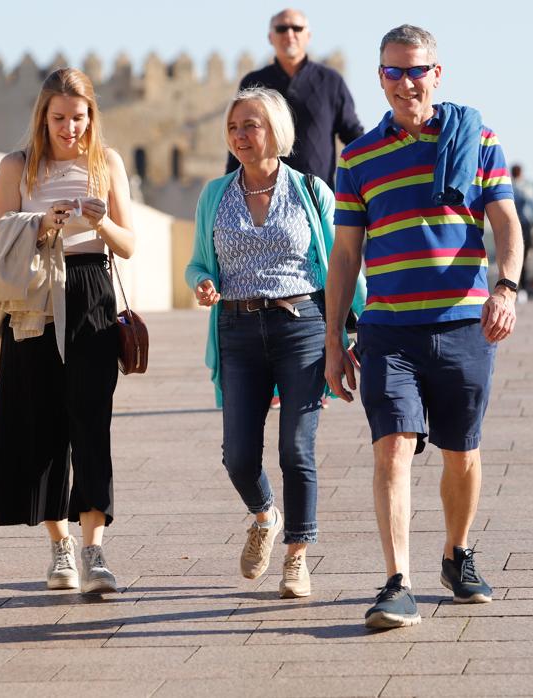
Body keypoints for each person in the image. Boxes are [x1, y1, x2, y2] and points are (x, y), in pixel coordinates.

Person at [324, 25, 523, 629]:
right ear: (379, 77)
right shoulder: (357, 157)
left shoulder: (478, 140)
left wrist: (507, 289)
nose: (406, 83)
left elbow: (507, 226)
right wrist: (335, 339)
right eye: (393, 72)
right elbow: (345, 257)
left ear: (438, 74)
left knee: (462, 454)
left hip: (465, 325)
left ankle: (456, 554)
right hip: (389, 332)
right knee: (393, 450)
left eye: (416, 71)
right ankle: (396, 582)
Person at [188, 87, 364, 599]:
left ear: (276, 132)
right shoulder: (214, 195)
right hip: (236, 330)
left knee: (296, 448)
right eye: (234, 128)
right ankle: (265, 514)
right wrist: (201, 281)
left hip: (302, 327)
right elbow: (199, 260)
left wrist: (345, 334)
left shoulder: (312, 191)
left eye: (252, 125)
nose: (241, 136)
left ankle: (297, 554)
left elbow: (341, 266)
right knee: (238, 455)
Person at [0, 68, 137, 594]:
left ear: (91, 116)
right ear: (42, 116)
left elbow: (127, 244)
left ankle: (95, 550)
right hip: (34, 299)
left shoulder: (107, 163)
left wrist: (98, 222)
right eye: (59, 118)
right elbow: (0, 239)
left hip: (91, 293)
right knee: (42, 426)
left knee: (91, 423)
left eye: (78, 117)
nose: (69, 128)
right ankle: (60, 548)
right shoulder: (17, 166)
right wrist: (44, 225)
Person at [226, 8, 365, 189]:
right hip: (261, 196)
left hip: (317, 197)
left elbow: (352, 134)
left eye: (297, 28)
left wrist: (371, 174)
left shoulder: (330, 81)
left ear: (308, 35)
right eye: (282, 29)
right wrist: (226, 189)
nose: (289, 34)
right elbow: (238, 138)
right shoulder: (254, 82)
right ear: (270, 37)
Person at [511, 164, 533, 297]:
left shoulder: (510, 187)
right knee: (526, 258)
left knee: (518, 257)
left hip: (517, 225)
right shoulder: (528, 189)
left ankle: (522, 287)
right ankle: (525, 287)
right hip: (527, 226)